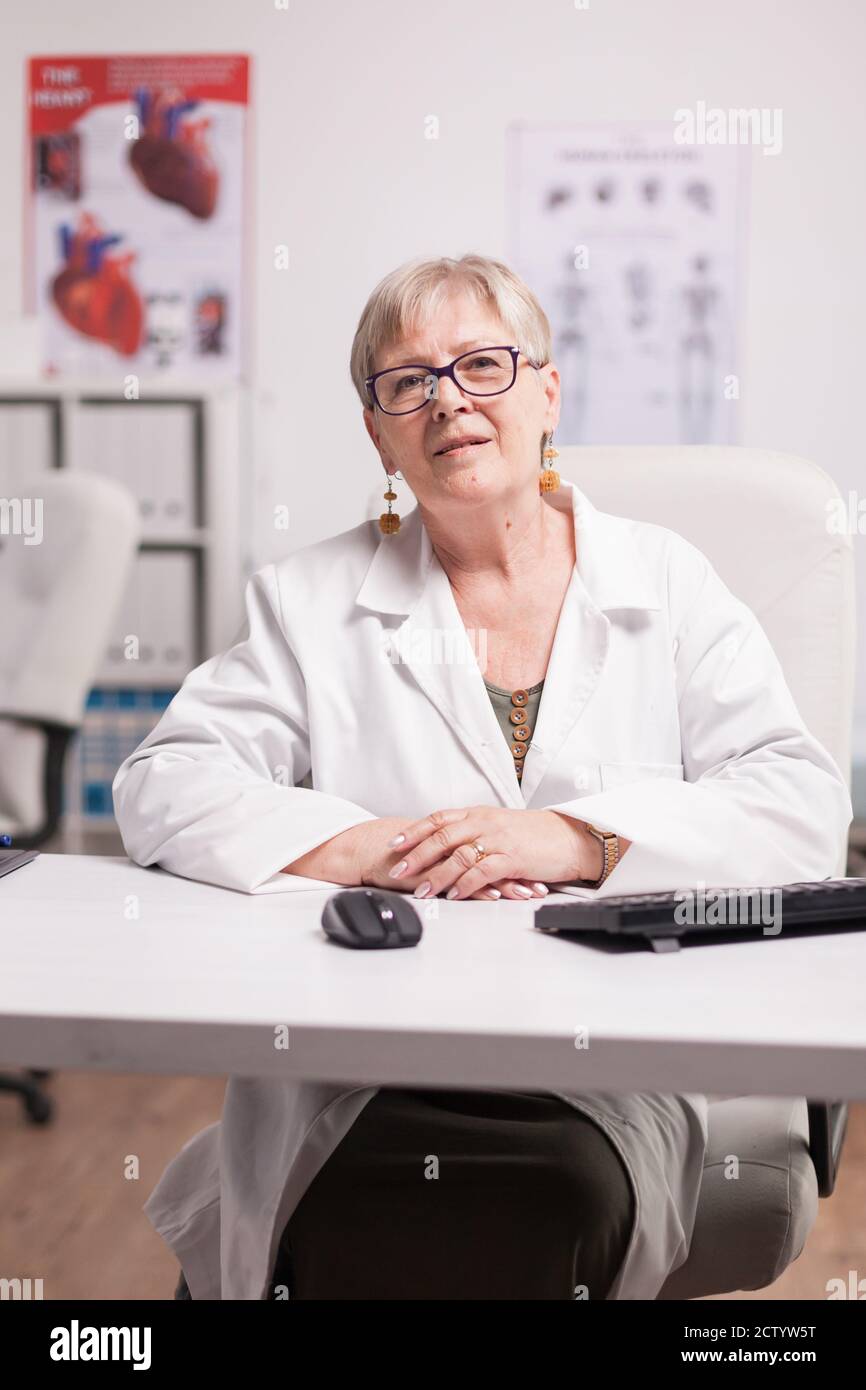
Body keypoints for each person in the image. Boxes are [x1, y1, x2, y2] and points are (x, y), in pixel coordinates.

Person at [113, 253, 852, 1300]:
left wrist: (576, 837)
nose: (447, 398)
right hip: (362, 1069)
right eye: (406, 380)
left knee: (532, 1205)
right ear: (376, 430)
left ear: (547, 392)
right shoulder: (308, 599)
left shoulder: (668, 584)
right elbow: (166, 781)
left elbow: (800, 808)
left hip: (601, 1073)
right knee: (370, 1211)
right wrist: (371, 845)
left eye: (482, 365)